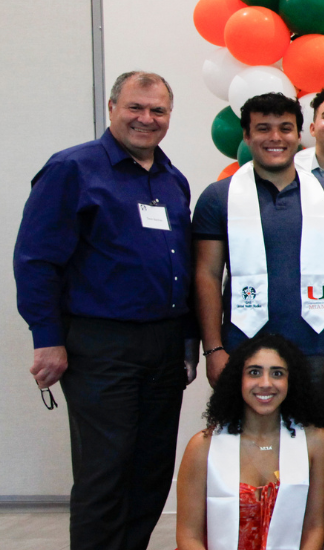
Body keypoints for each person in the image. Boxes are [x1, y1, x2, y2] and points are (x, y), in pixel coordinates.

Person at [15, 70, 191, 550]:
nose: (146, 119)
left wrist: (188, 345)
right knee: (104, 473)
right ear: (112, 107)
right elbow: (35, 260)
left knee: (151, 472)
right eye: (136, 107)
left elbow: (185, 267)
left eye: (158, 110)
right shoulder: (72, 169)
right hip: (100, 345)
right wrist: (47, 339)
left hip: (163, 346)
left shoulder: (173, 181)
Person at [194, 92, 324, 385]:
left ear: (299, 135)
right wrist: (213, 348)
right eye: (263, 128)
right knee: (246, 431)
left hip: (317, 346)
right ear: (246, 136)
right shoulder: (218, 196)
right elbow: (207, 273)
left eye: (285, 128)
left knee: (317, 431)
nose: (275, 137)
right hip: (242, 346)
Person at [174, 334, 324, 550]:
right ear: (238, 380)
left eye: (277, 373)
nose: (265, 383)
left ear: (291, 381)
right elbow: (188, 537)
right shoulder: (202, 446)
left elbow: (314, 528)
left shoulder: (316, 442)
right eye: (254, 372)